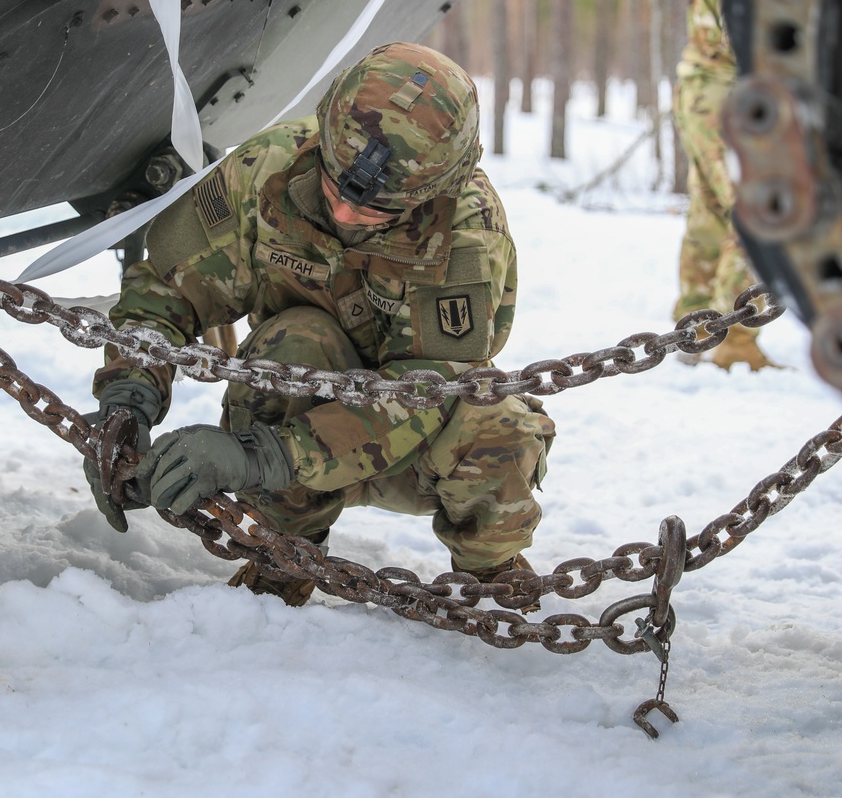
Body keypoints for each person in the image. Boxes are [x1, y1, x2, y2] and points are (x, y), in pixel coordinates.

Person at [86, 41, 554, 605]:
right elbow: (167, 290)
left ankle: (490, 569)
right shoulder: (266, 172)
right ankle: (287, 552)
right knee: (296, 343)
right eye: (336, 187)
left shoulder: (466, 236)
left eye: (377, 209)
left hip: (411, 449)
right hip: (289, 420)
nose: (346, 213)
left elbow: (426, 395)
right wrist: (128, 400)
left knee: (496, 421)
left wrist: (259, 458)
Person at [673, 0, 775, 371]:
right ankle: (735, 339)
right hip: (732, 91)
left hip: (701, 88)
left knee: (712, 209)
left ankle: (695, 325)